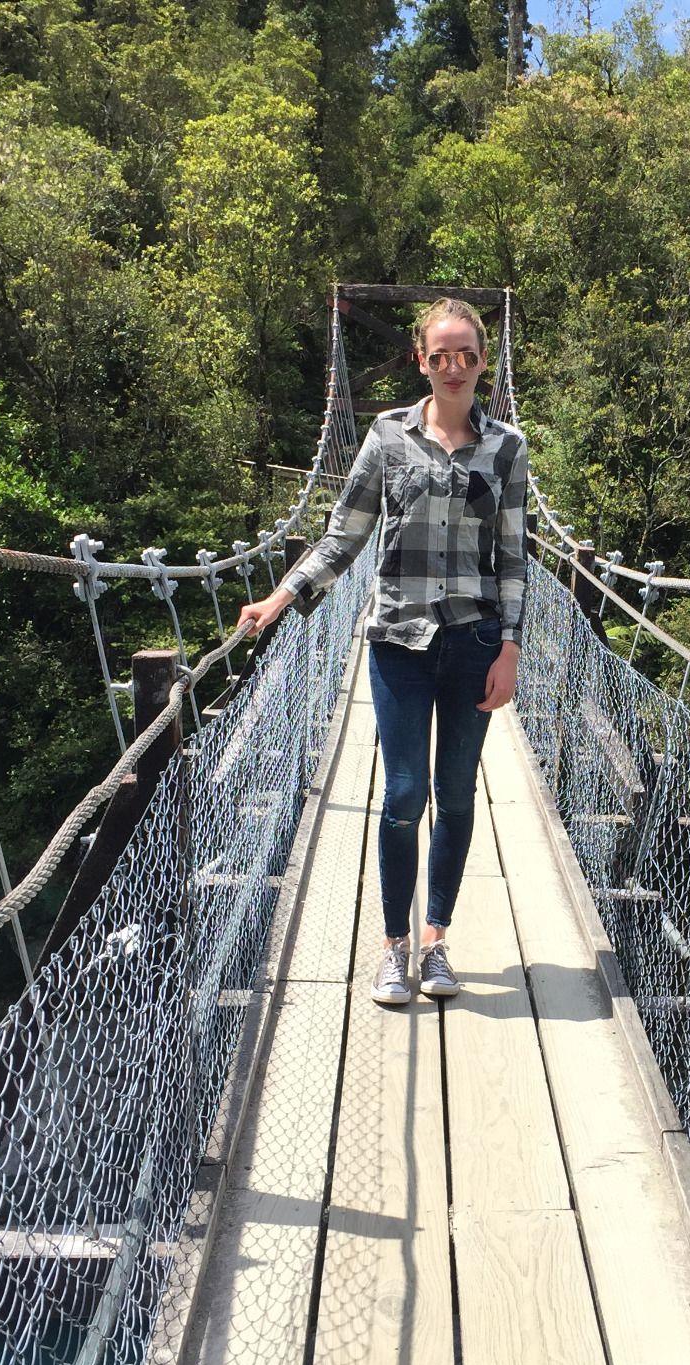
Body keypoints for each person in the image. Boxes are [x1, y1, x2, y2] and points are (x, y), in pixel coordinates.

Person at [238, 298, 529, 1005]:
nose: (454, 367)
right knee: (403, 796)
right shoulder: (386, 436)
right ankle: (394, 948)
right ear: (421, 360)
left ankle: (435, 942)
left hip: (475, 642)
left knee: (455, 795)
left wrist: (511, 649)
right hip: (399, 640)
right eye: (441, 355)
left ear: (483, 362)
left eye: (467, 355)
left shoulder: (507, 447)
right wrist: (283, 595)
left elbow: (514, 558)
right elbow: (345, 534)